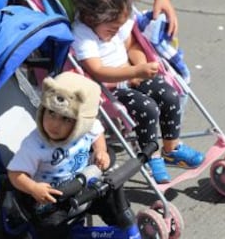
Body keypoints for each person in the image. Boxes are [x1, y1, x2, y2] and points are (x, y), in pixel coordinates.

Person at [71, 0, 204, 184]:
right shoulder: (82, 34)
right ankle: (151, 155)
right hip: (110, 89)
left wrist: (141, 65)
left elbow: (131, 45)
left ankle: (171, 148)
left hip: (133, 75)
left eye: (119, 28)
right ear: (90, 18)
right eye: (111, 30)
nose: (115, 33)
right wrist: (134, 71)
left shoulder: (115, 19)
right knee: (147, 108)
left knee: (169, 94)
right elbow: (97, 71)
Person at [7, 72, 140, 239]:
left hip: (83, 188)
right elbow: (15, 174)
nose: (54, 124)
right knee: (52, 228)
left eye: (66, 119)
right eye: (51, 113)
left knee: (112, 196)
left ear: (81, 122)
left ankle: (124, 227)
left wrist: (101, 150)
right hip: (51, 200)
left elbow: (97, 131)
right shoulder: (35, 144)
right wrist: (34, 188)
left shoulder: (86, 127)